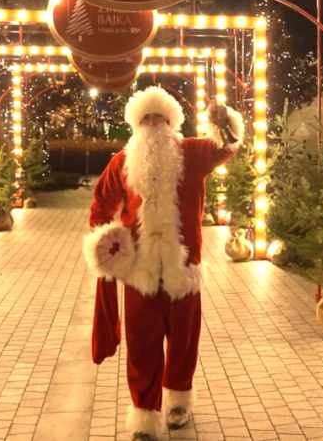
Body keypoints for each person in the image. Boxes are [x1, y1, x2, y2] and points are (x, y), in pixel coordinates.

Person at [83, 86, 244, 441]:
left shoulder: (192, 154)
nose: (153, 124)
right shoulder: (121, 162)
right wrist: (106, 242)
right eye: (146, 118)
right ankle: (145, 414)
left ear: (172, 122)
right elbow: (101, 207)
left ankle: (178, 401)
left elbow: (225, 147)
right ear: (136, 124)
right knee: (142, 347)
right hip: (139, 272)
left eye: (160, 117)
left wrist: (224, 124)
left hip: (183, 270)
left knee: (183, 342)